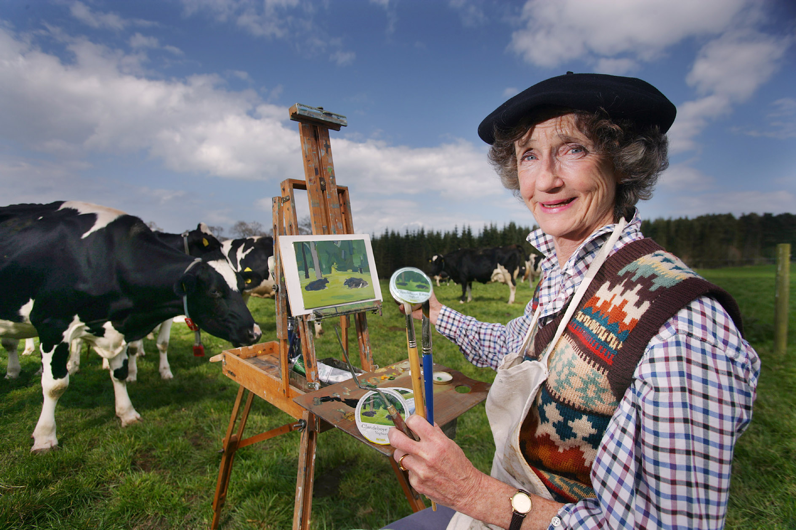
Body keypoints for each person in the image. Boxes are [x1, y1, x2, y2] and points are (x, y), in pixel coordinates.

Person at [384, 72, 760, 530]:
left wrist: (472, 491)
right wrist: (436, 313)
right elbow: (514, 346)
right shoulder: (563, 276)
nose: (546, 180)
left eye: (573, 149)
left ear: (622, 161)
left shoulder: (683, 328)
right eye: (528, 156)